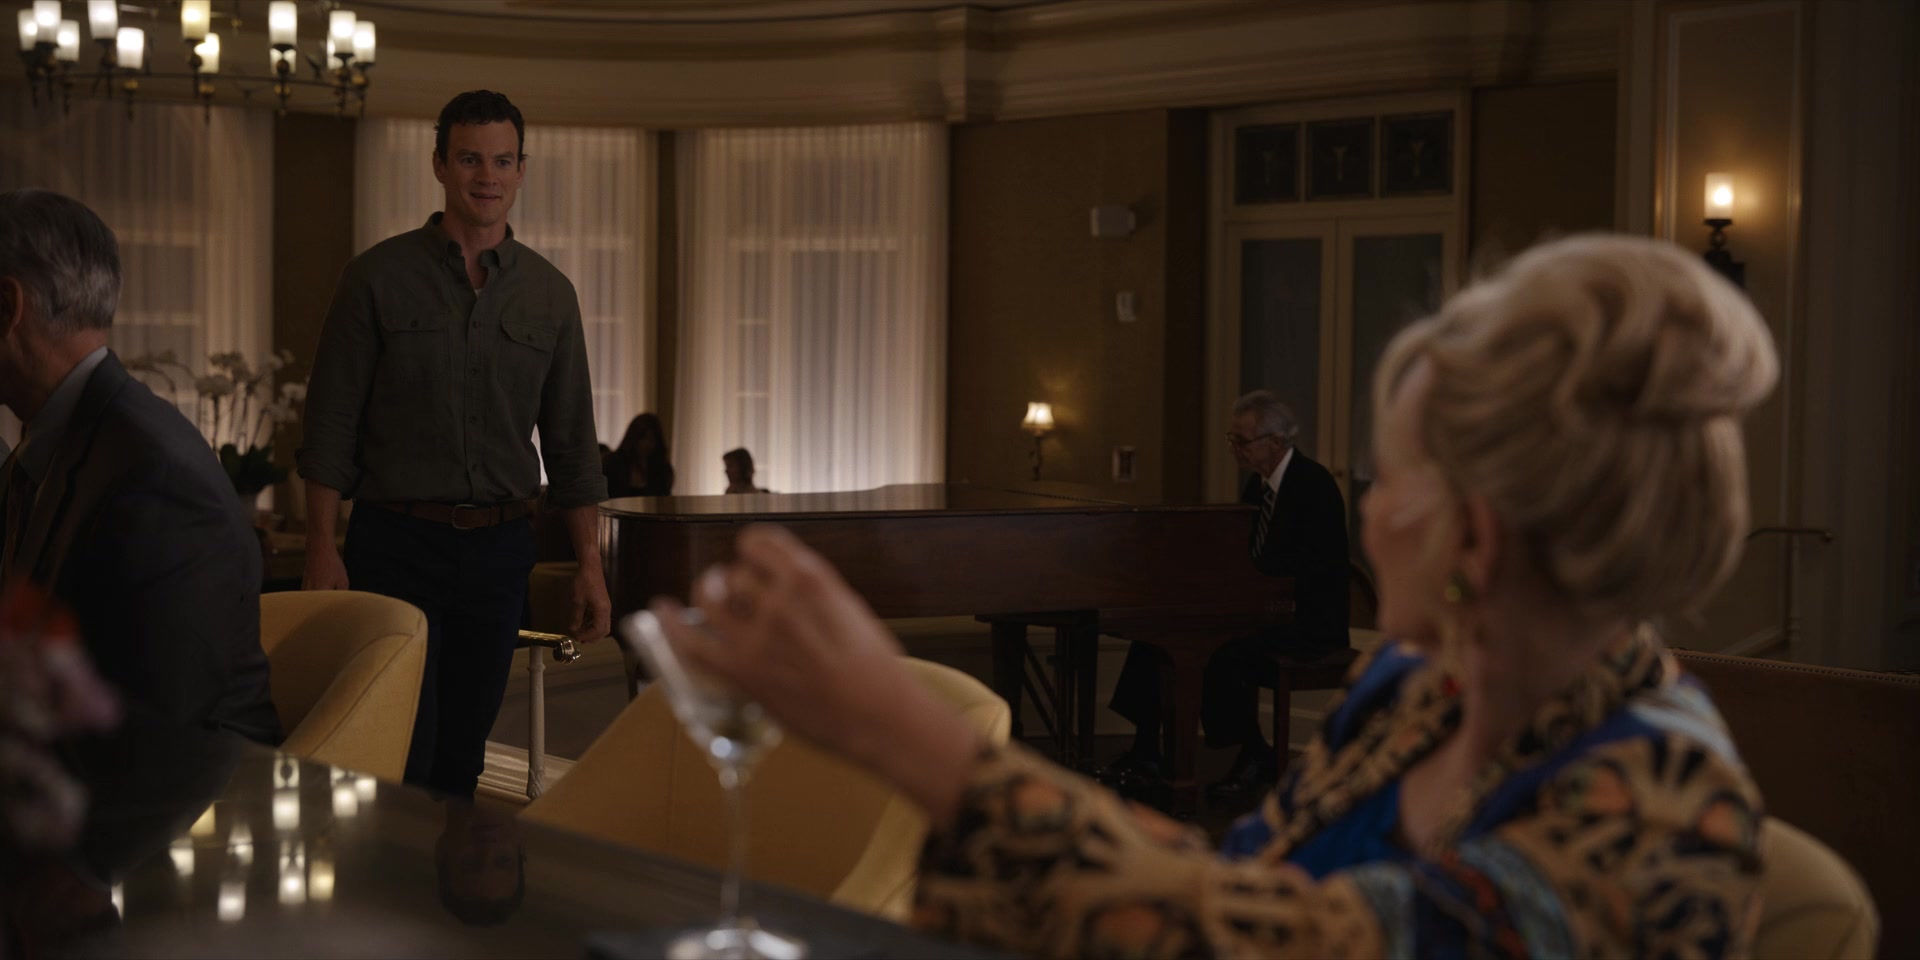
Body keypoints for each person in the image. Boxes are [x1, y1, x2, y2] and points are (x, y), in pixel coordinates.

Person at [652, 235, 1777, 957]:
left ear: (1475, 537)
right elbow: (1236, 884)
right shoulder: (1415, 690)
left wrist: (897, 726)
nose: (1373, 514)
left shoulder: (1670, 826)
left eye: (1394, 481)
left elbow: (1310, 946)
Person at [298, 90, 610, 798]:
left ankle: (442, 872)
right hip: (394, 544)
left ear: (522, 170)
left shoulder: (551, 295)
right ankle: (384, 869)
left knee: (463, 758)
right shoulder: (375, 278)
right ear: (440, 164)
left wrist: (589, 564)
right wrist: (320, 544)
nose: (486, 176)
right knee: (398, 752)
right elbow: (330, 426)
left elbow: (572, 446)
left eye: (501, 161)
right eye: (470, 159)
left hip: (499, 552)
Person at [0, 189, 279, 747]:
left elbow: (153, 729)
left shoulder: (156, 480)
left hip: (195, 790)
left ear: (8, 307)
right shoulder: (54, 443)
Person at [1104, 391, 1349, 800]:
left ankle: (1253, 752)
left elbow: (1310, 570)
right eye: (1231, 438)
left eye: (1242, 440)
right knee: (1159, 636)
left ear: (1276, 442)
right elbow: (1243, 552)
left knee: (1218, 648)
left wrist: (1247, 592)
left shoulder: (1313, 485)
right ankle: (1147, 749)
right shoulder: (1258, 487)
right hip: (1266, 608)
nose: (1235, 448)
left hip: (1307, 620)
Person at [603, 412, 675, 498]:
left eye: (651, 439)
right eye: (642, 438)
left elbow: (663, 499)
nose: (647, 444)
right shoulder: (612, 463)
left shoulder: (662, 468)